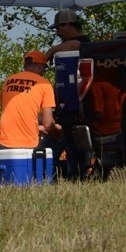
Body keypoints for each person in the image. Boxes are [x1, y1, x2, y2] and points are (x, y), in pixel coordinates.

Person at [45, 9, 91, 180]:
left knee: (75, 146)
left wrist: (52, 51)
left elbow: (76, 45)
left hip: (78, 107)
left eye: (59, 28)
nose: (58, 32)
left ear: (68, 25)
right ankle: (71, 175)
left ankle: (76, 175)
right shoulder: (67, 47)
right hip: (66, 109)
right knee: (69, 146)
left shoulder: (83, 43)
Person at [0, 50, 61, 149]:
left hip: (1, 140)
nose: (43, 73)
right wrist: (56, 131)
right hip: (28, 142)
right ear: (40, 67)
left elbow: (15, 112)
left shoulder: (9, 80)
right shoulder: (44, 84)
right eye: (44, 69)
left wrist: (39, 127)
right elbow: (48, 124)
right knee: (62, 139)